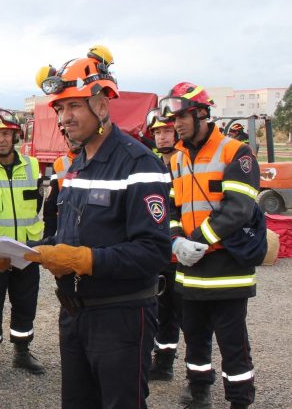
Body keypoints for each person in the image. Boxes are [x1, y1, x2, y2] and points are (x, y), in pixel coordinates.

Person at [25, 47, 171, 409]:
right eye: (60, 108)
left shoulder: (138, 163)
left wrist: (84, 260)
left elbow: (154, 251)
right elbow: (68, 237)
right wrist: (28, 253)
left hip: (121, 317)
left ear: (102, 105)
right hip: (75, 314)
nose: (64, 118)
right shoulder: (77, 164)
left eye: (74, 106)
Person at [159, 83, 262, 409]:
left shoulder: (235, 151)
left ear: (202, 113)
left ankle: (240, 400)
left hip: (226, 266)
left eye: (182, 117)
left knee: (233, 343)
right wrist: (176, 239)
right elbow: (172, 207)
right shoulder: (177, 159)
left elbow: (238, 209)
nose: (177, 124)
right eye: (173, 119)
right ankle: (199, 388)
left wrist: (196, 240)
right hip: (189, 267)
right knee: (194, 336)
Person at [0, 108, 46, 385]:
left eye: (6, 133)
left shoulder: (33, 166)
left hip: (26, 251)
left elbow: (37, 203)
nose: (1, 139)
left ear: (15, 136)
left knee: (25, 302)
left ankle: (22, 351)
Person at [144, 108, 186, 382]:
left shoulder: (187, 165)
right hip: (159, 254)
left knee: (185, 314)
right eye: (157, 132)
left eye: (167, 131)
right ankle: (162, 361)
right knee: (160, 310)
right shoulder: (153, 165)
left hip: (183, 253)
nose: (162, 137)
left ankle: (194, 373)